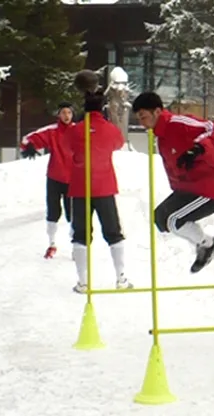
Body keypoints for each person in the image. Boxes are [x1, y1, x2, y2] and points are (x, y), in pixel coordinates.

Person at [131, 92, 214, 273]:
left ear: (157, 111)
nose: (141, 123)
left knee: (173, 219)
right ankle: (204, 244)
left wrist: (198, 148)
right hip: (189, 188)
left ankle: (208, 244)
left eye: (143, 117)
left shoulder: (180, 124)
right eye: (139, 118)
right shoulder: (160, 137)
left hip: (212, 187)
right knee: (160, 218)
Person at [64, 88, 133, 293]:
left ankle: (83, 282)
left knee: (80, 235)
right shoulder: (110, 129)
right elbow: (118, 143)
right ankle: (121, 278)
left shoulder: (75, 130)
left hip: (79, 187)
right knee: (114, 232)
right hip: (104, 186)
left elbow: (67, 147)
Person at [20, 102, 76, 259]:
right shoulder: (52, 131)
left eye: (69, 113)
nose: (66, 116)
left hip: (73, 179)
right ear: (58, 115)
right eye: (63, 112)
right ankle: (51, 245)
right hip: (54, 177)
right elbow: (27, 139)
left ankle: (75, 246)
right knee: (53, 212)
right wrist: (29, 147)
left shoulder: (78, 131)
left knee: (73, 215)